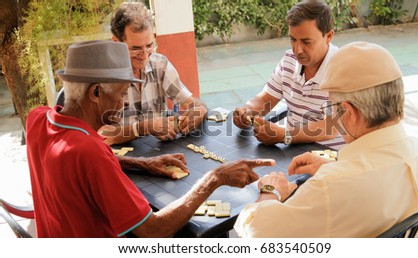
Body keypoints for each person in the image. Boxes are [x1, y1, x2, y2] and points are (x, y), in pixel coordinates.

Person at [26, 40, 274, 237]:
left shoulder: (37, 119)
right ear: (96, 92)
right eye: (122, 94)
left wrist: (142, 163)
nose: (123, 103)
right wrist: (215, 178)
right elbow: (153, 230)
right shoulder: (89, 152)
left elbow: (80, 168)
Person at [233, 41, 418, 237]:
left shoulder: (330, 187)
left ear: (348, 113)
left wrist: (271, 191)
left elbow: (257, 234)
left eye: (331, 108)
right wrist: (336, 167)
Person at [233, 0, 343, 148]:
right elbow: (266, 98)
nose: (297, 50)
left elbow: (329, 127)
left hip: (330, 156)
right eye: (293, 39)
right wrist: (247, 111)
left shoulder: (342, 68)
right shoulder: (289, 59)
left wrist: (284, 134)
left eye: (306, 42)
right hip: (293, 150)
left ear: (328, 36)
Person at [102, 1, 208, 144]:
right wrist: (144, 127)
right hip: (121, 159)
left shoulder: (159, 64)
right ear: (116, 42)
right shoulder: (103, 78)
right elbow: (99, 135)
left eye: (149, 45)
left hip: (157, 152)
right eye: (135, 48)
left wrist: (199, 110)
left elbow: (191, 102)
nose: (145, 55)